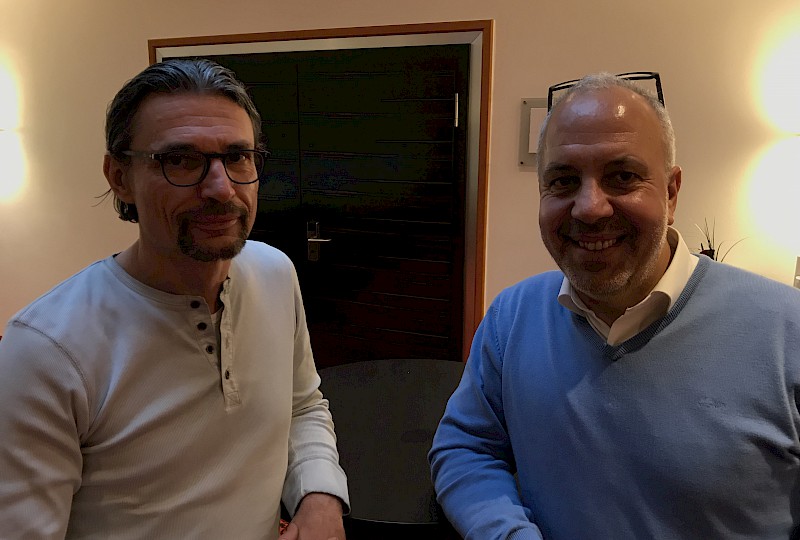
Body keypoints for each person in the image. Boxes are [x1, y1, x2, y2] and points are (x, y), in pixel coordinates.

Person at [429, 72, 800, 539]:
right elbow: (466, 447)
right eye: (563, 181)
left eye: (622, 177)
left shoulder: (787, 332)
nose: (589, 207)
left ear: (671, 192)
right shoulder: (512, 318)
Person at [0, 58, 349, 539]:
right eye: (181, 160)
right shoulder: (46, 350)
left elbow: (303, 406)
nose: (221, 188)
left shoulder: (275, 273)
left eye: (237, 157)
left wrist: (320, 496)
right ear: (120, 177)